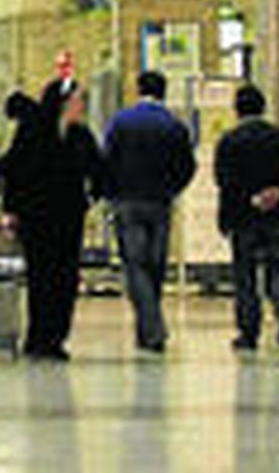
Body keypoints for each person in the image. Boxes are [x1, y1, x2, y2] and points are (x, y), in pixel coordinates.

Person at [0, 82, 102, 361]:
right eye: (79, 100)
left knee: (65, 278)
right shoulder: (33, 131)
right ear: (64, 101)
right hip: (36, 217)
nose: (82, 105)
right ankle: (38, 336)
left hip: (69, 218)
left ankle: (56, 336)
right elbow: (14, 172)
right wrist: (10, 211)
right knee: (40, 277)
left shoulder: (81, 135)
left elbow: (98, 170)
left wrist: (93, 197)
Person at [102, 71, 196, 354]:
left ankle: (151, 329)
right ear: (164, 92)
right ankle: (150, 330)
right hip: (160, 202)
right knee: (155, 266)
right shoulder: (174, 126)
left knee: (135, 265)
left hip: (127, 202)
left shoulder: (121, 122)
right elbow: (187, 166)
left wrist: (110, 193)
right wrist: (173, 189)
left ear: (139, 89)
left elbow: (107, 159)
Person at [214, 84, 279, 354]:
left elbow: (224, 182)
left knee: (245, 276)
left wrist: (228, 215)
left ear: (237, 109)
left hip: (243, 219)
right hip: (278, 217)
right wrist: (278, 191)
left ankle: (248, 332)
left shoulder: (229, 141)